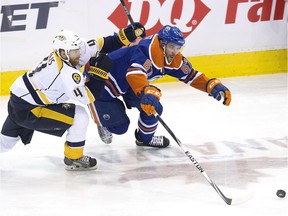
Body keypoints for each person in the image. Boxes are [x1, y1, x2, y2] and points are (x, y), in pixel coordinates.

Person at [0, 23, 146, 170]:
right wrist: (99, 75)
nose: (79, 54)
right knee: (79, 116)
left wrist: (127, 35)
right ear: (63, 53)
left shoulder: (72, 52)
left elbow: (101, 44)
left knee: (5, 142)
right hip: (29, 110)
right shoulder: (65, 74)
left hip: (19, 100)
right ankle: (73, 158)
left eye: (77, 49)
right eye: (74, 51)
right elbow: (88, 98)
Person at [85, 25, 231, 148]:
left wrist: (210, 85)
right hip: (102, 82)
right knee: (120, 127)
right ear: (162, 43)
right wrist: (146, 90)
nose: (175, 52)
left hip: (128, 84)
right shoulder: (145, 52)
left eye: (178, 48)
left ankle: (144, 139)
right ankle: (101, 119)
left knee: (153, 107)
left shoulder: (171, 56)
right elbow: (134, 73)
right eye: (172, 47)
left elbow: (190, 75)